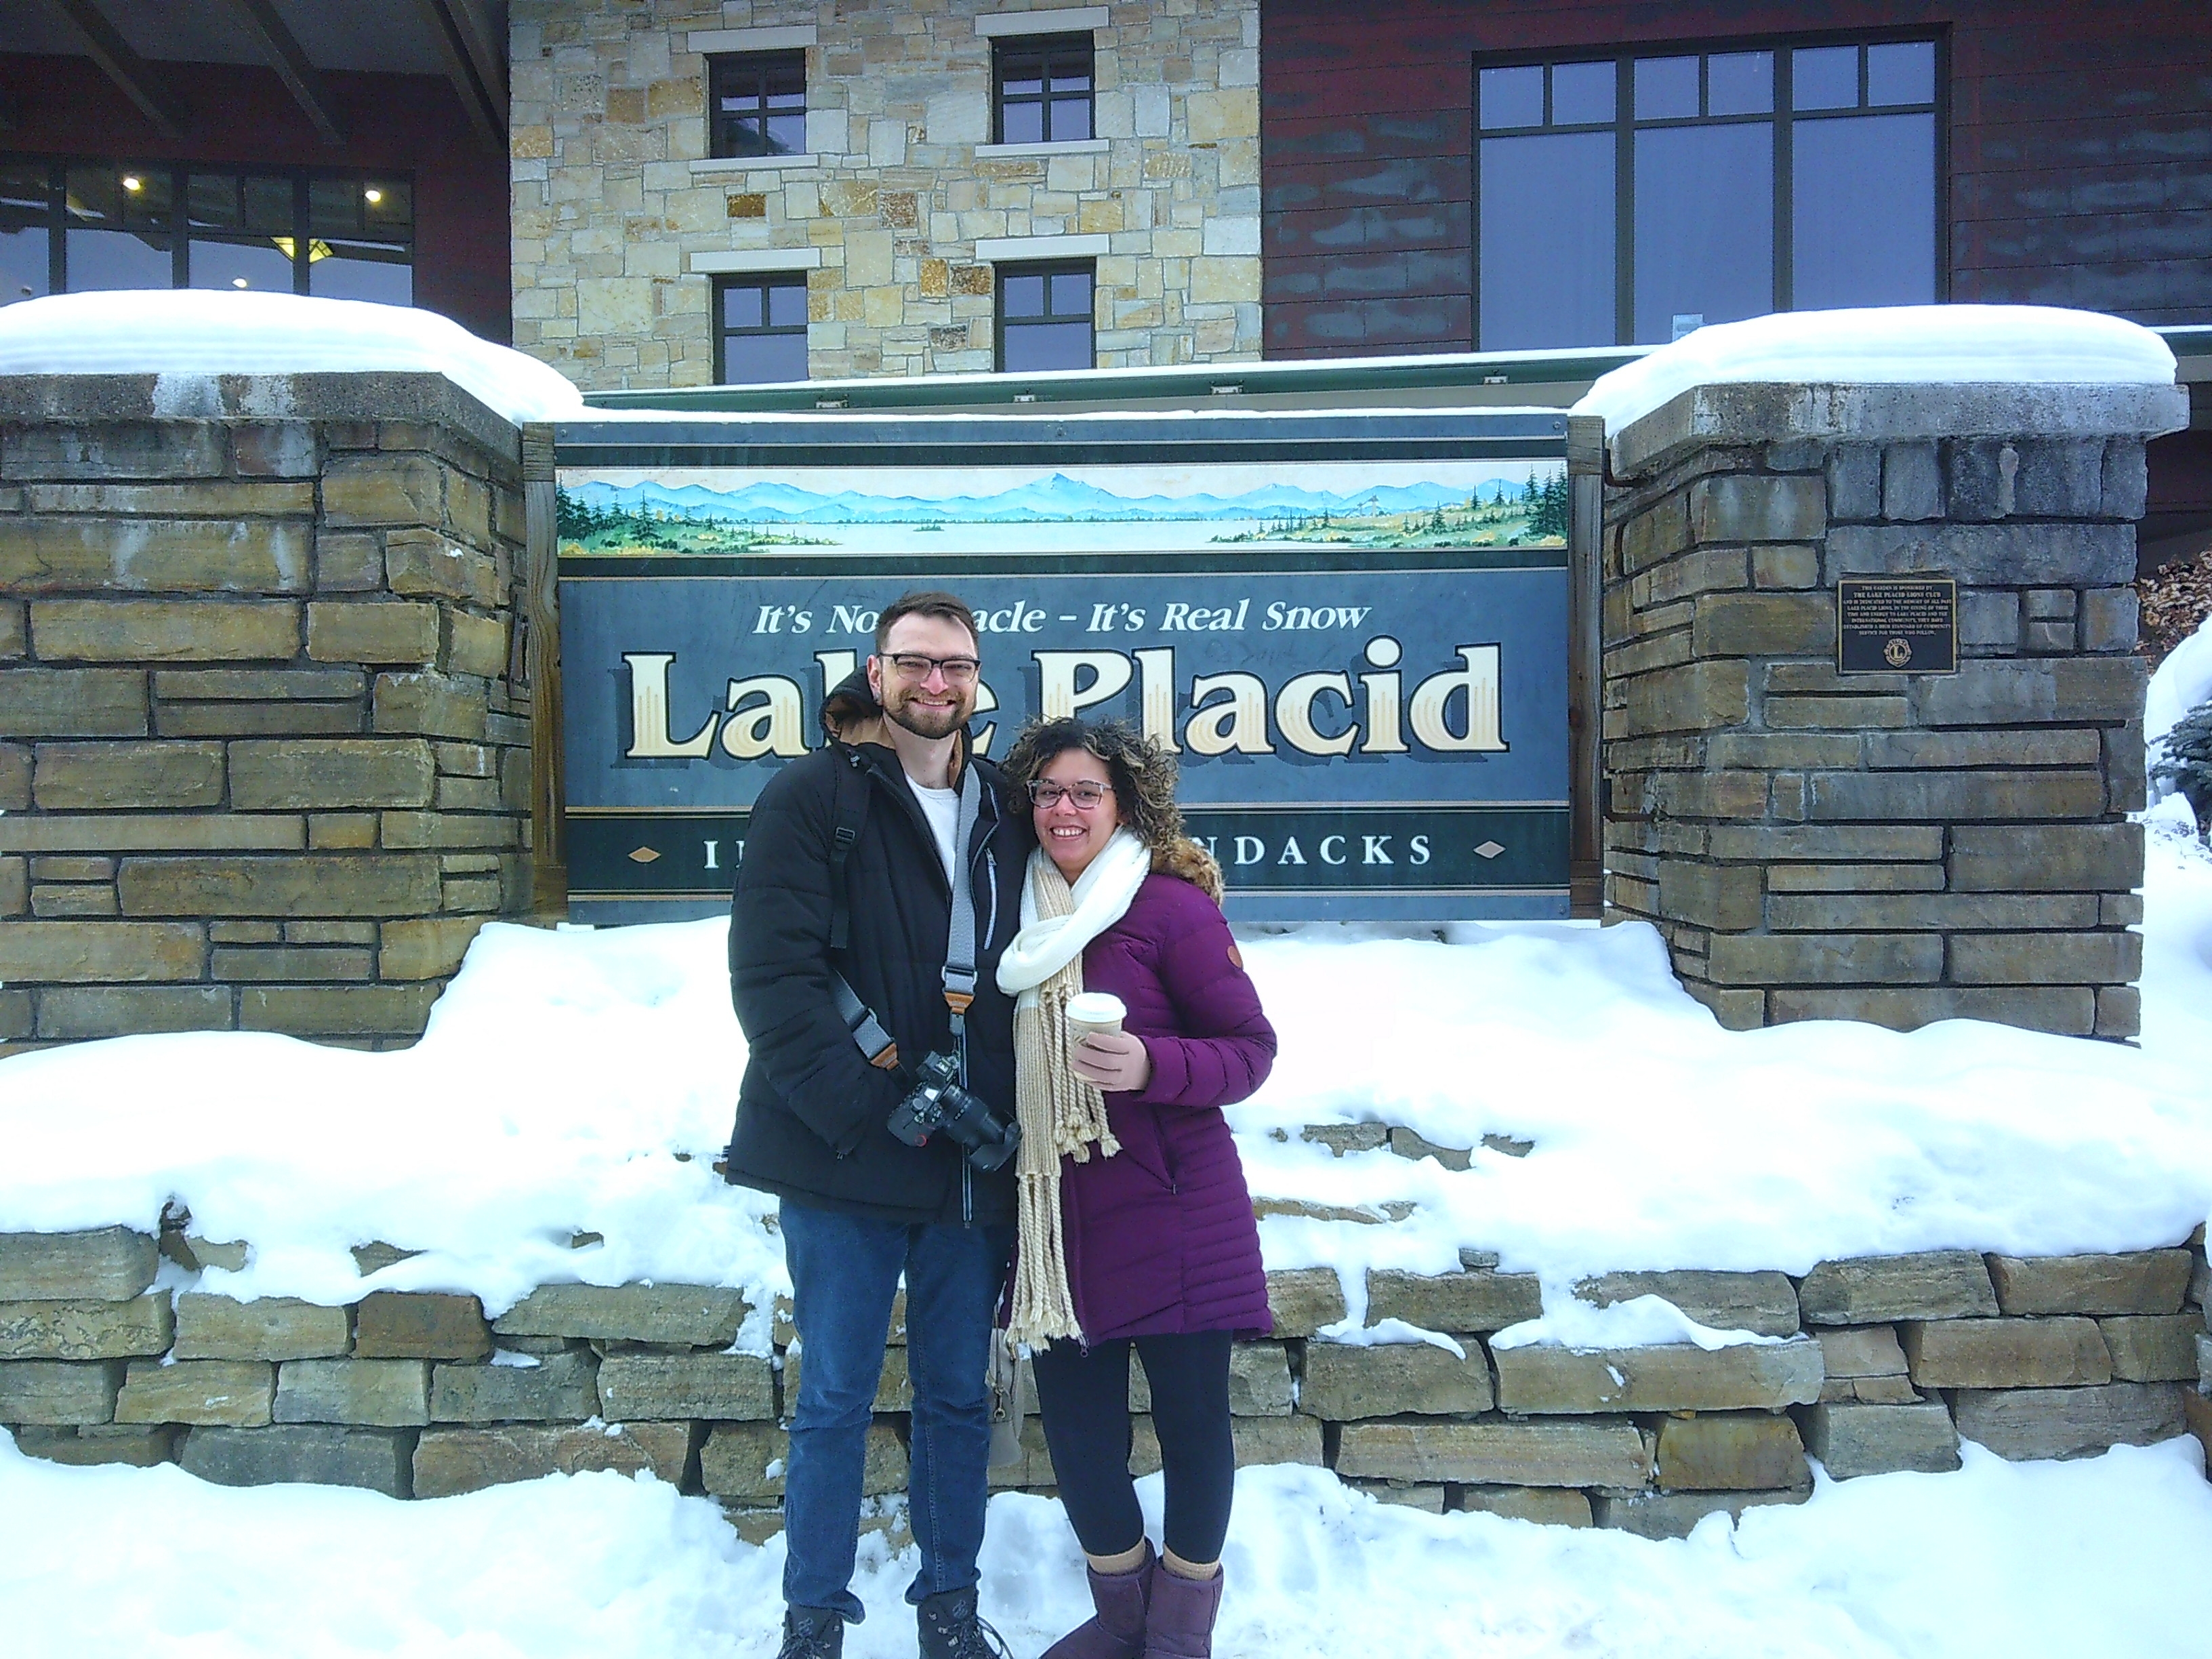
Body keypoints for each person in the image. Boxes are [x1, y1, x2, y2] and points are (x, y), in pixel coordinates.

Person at [725, 591, 1029, 1659]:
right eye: (915, 662)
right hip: (842, 1157)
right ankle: (813, 1621)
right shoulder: (812, 798)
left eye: (955, 664)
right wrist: (871, 1116)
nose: (935, 683)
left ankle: (950, 1609)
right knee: (836, 1400)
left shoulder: (1008, 806)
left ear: (979, 676)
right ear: (876, 668)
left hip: (967, 1164)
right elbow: (773, 982)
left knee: (956, 1403)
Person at [994, 718, 1276, 1659]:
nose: (1064, 809)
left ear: (1125, 806)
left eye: (1086, 792)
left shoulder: (1169, 909)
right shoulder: (1011, 914)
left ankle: (1180, 1629)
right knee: (1079, 1441)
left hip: (1175, 1208)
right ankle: (1124, 1621)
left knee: (1194, 1428)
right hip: (1057, 1226)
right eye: (1047, 792)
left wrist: (1151, 1063)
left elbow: (1249, 1053)